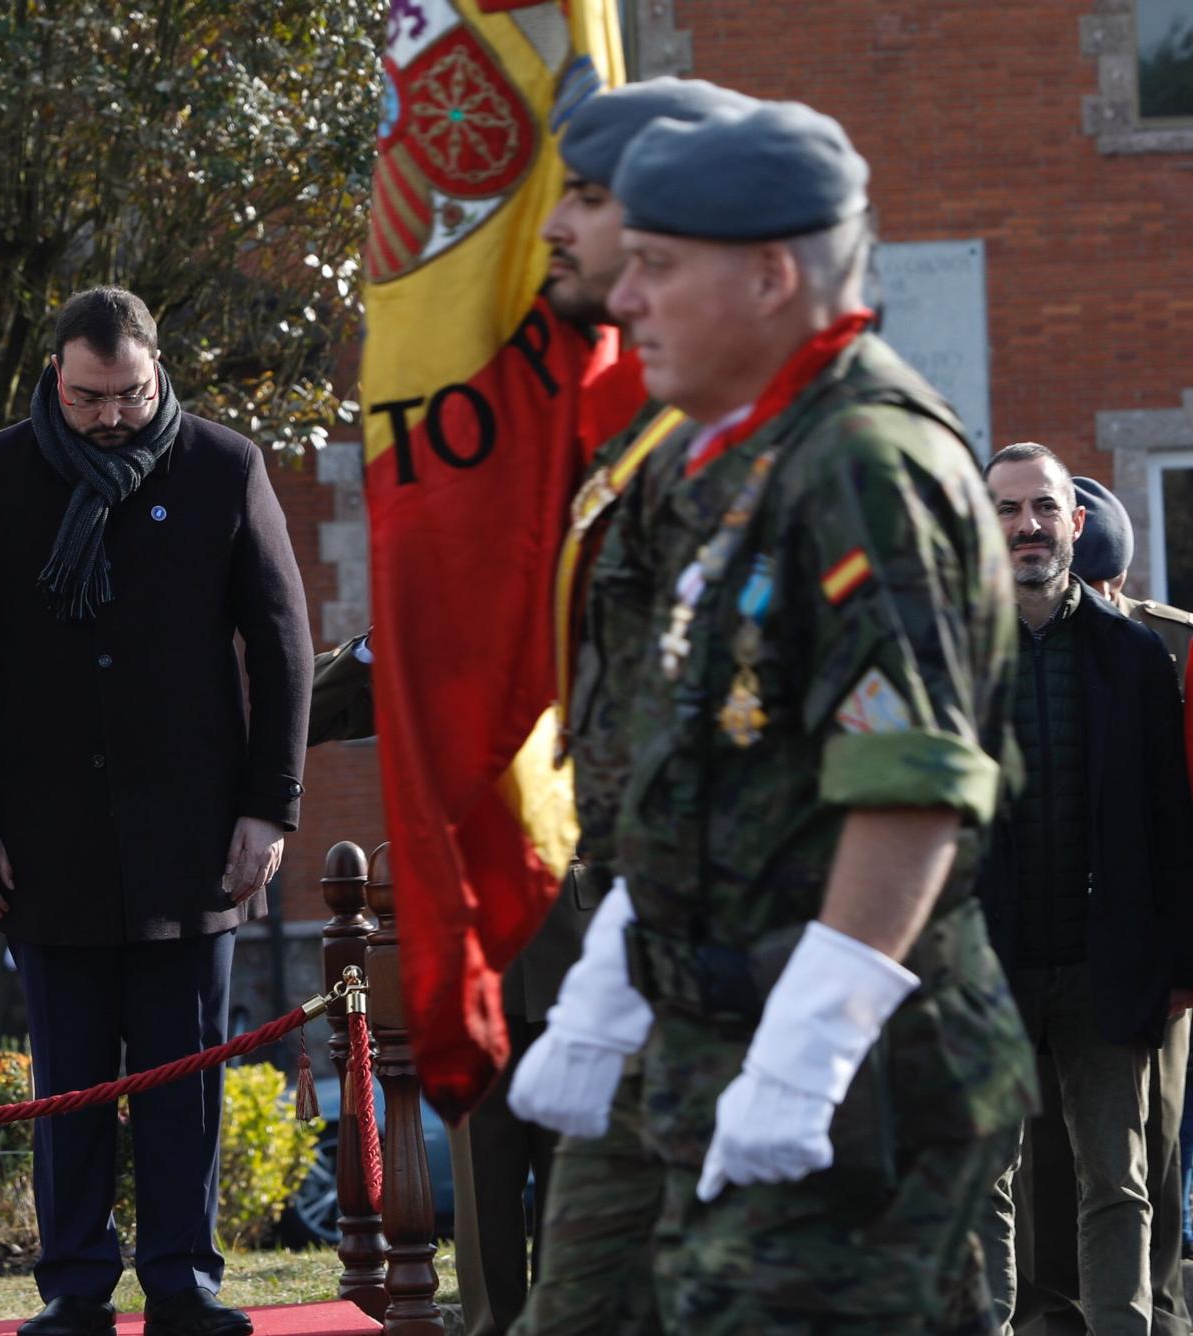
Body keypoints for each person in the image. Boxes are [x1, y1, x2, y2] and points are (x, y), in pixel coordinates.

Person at [510, 100, 1034, 1329]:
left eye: (657, 266)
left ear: (767, 278)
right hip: (723, 1032)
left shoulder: (861, 459)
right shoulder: (748, 458)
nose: (624, 300)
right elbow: (701, 760)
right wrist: (612, 981)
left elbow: (908, 785)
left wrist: (809, 1048)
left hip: (856, 1083)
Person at [0, 287, 311, 1336]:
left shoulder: (223, 466)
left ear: (155, 369)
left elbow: (279, 649)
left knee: (184, 1074)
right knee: (72, 1081)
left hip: (192, 838)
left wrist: (269, 808)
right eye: (89, 396)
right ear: (55, 375)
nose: (110, 416)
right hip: (44, 839)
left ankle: (183, 1277)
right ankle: (75, 1284)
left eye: (129, 393)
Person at [507, 76, 752, 1336]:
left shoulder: (796, 461)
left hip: (744, 1001)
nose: (552, 227)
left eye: (588, 201)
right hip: (633, 955)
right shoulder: (642, 449)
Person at [972, 442, 1193, 1335]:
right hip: (985, 972)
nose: (1027, 526)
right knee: (981, 1184)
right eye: (1008, 510)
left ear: (1077, 521)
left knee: (1118, 1181)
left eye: (1042, 509)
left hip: (1109, 969)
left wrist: (1179, 964)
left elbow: (1171, 826)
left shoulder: (1136, 656)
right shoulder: (945, 654)